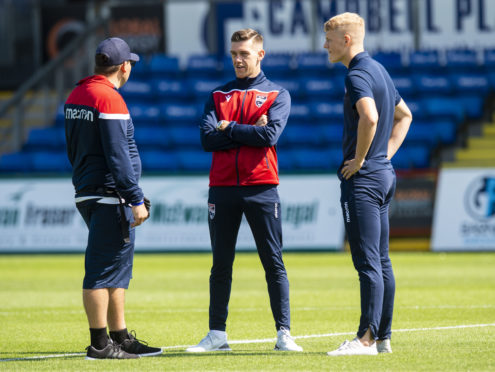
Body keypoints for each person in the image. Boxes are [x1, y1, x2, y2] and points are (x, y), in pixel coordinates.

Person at [186, 28, 302, 353]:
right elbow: (207, 139)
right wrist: (250, 129)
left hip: (262, 187)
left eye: (244, 54)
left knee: (273, 262)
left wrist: (229, 127)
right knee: (220, 264)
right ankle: (216, 335)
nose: (238, 59)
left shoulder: (278, 94)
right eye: (234, 54)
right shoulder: (217, 95)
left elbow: (269, 138)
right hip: (221, 188)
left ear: (260, 55)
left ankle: (284, 334)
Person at [65, 37, 162, 360]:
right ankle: (100, 345)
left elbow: (75, 149)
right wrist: (134, 197)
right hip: (111, 196)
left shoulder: (77, 94)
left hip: (91, 191)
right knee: (100, 271)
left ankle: (119, 336)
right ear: (124, 66)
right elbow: (118, 156)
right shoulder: (109, 99)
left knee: (117, 270)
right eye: (130, 62)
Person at [322, 13, 413, 356]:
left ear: (346, 39)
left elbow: (370, 116)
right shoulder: (380, 70)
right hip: (383, 175)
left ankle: (365, 339)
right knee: (382, 260)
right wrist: (384, 155)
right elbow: (406, 115)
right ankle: (384, 337)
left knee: (367, 261)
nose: (324, 46)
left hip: (364, 179)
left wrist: (361, 160)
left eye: (328, 39)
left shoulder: (357, 74)